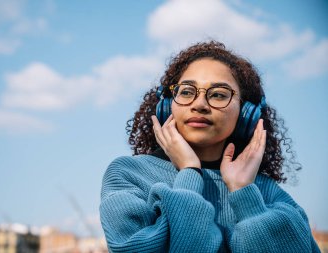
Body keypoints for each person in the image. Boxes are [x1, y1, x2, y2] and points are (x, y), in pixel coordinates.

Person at [99, 41, 320, 252]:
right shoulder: (127, 174)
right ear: (167, 106)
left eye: (218, 95)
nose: (200, 104)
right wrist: (189, 172)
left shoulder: (266, 191)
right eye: (186, 91)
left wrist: (245, 195)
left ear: (246, 115)